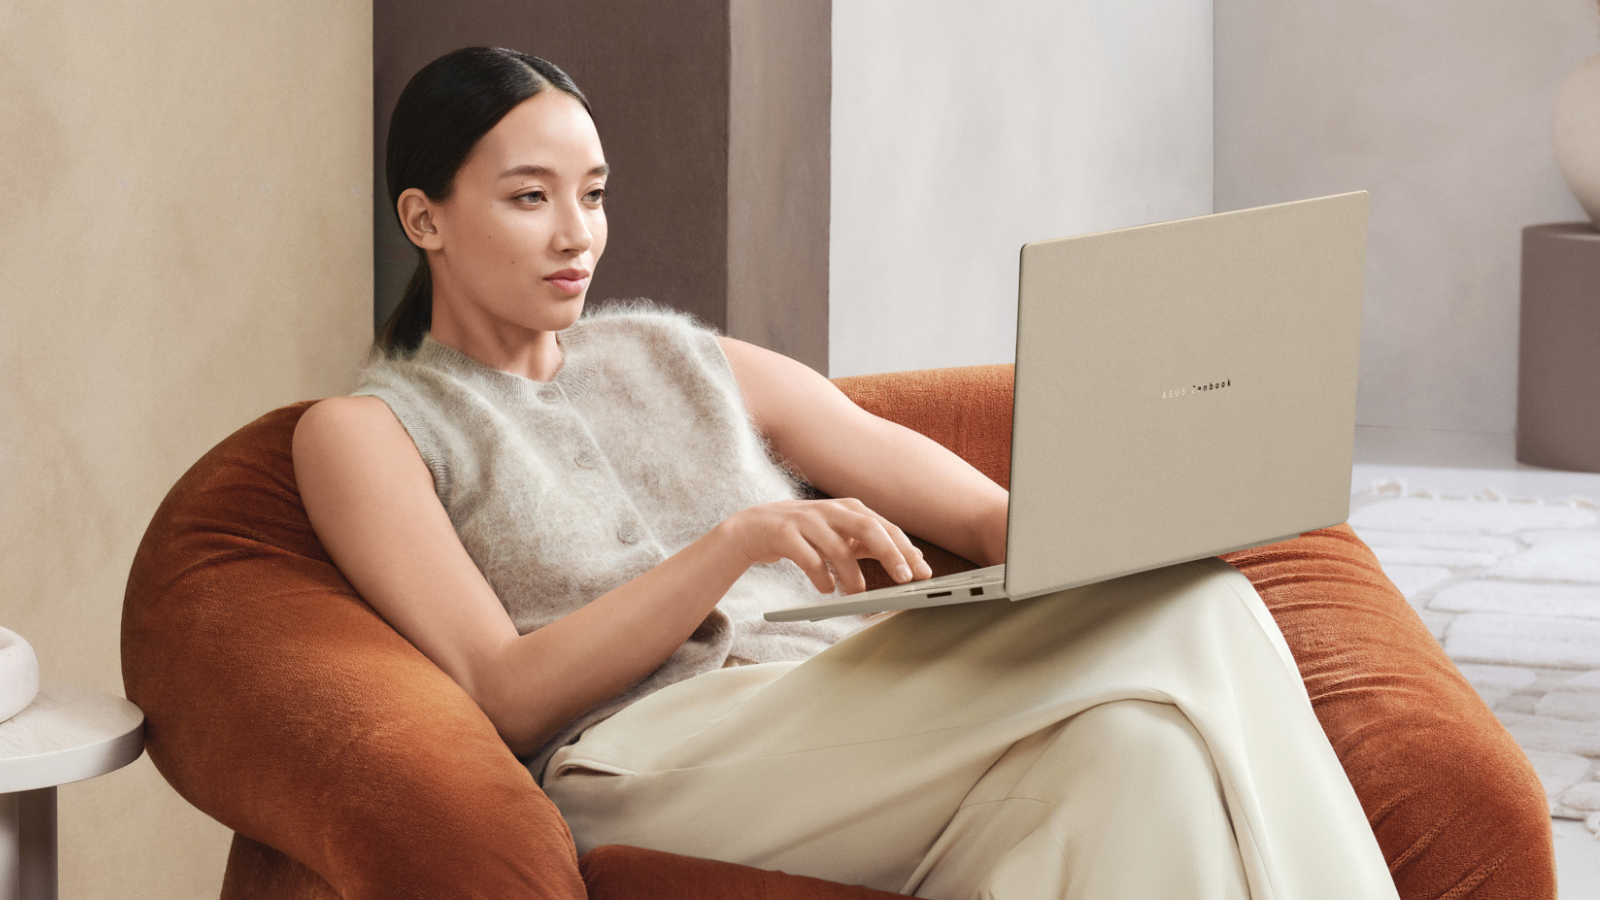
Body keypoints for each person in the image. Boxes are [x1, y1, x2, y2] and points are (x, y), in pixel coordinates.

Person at [293, 46, 1400, 900]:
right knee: (1198, 608)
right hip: (639, 761)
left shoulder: (681, 355)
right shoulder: (369, 430)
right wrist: (732, 544)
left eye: (593, 192)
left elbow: (970, 505)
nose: (576, 234)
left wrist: (1108, 525)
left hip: (844, 720)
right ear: (423, 218)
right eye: (530, 196)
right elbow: (500, 690)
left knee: (1137, 754)